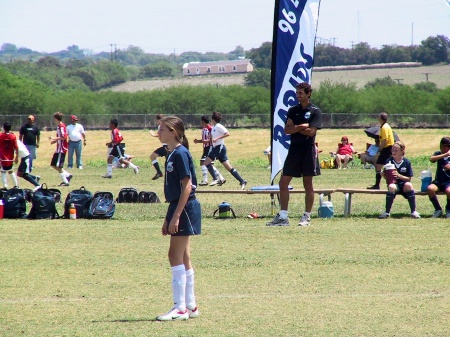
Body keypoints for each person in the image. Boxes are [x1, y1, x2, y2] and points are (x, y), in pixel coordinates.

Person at [155, 116, 201, 321]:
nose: (158, 132)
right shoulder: (171, 153)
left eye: (162, 129)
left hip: (186, 208)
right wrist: (168, 217)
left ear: (173, 132)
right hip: (178, 207)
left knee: (174, 255)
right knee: (184, 257)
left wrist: (176, 217)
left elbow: (187, 187)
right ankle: (190, 306)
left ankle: (180, 308)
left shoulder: (181, 153)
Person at [267, 82, 322, 227]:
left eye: (301, 93)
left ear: (308, 93)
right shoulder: (292, 110)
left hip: (308, 150)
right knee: (283, 182)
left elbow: (311, 132)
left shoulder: (315, 111)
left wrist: (296, 127)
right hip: (294, 150)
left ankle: (306, 217)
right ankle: (283, 217)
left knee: (307, 184)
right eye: (297, 93)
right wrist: (302, 126)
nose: (298, 96)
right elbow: (287, 130)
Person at [202, 112, 247, 190]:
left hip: (219, 148)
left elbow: (227, 133)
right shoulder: (214, 127)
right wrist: (211, 137)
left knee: (206, 162)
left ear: (213, 119)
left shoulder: (219, 126)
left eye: (211, 119)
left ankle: (216, 179)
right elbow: (213, 137)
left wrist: (217, 138)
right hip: (218, 148)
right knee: (228, 167)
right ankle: (242, 181)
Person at [378, 141, 420, 219]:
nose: (393, 152)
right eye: (392, 150)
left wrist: (398, 175)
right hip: (394, 184)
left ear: (402, 151)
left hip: (403, 185)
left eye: (396, 150)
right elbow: (387, 178)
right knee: (391, 186)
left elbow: (408, 179)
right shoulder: (389, 161)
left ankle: (414, 211)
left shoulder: (406, 162)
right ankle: (387, 212)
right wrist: (383, 175)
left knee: (409, 185)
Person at [193, 115, 224, 186]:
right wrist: (198, 141)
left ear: (203, 121)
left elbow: (212, 138)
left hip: (209, 147)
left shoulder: (210, 128)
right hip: (205, 148)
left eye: (201, 121)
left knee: (203, 162)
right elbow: (204, 140)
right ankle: (221, 178)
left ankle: (206, 180)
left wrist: (208, 141)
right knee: (207, 163)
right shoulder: (204, 129)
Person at [368, 112, 395, 189]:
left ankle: (378, 185)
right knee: (382, 166)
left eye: (379, 117)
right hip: (387, 148)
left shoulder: (384, 127)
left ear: (380, 118)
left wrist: (380, 149)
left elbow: (385, 140)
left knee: (380, 166)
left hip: (387, 148)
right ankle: (379, 184)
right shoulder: (384, 126)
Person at [426, 137, 450, 218]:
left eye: (445, 146)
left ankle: (449, 210)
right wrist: (445, 155)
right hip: (439, 181)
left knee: (449, 191)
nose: (443, 148)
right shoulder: (438, 153)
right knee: (430, 189)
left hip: (448, 182)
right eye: (442, 146)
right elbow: (431, 159)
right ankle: (438, 209)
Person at [49, 112, 73, 187]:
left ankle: (65, 181)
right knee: (53, 164)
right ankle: (68, 175)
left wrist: (54, 138)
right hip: (58, 149)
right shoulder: (59, 126)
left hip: (62, 149)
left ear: (56, 118)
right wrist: (55, 141)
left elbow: (64, 137)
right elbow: (60, 137)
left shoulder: (62, 126)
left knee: (59, 166)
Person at [0, 122, 19, 189]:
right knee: (11, 171)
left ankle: (5, 185)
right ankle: (16, 185)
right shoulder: (13, 136)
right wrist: (17, 157)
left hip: (2, 157)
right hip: (10, 157)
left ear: (3, 128)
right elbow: (16, 147)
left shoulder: (1, 136)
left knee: (3, 171)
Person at [149, 114, 167, 180]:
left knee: (152, 156)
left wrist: (152, 134)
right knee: (168, 161)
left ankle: (159, 172)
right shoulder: (168, 125)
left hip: (166, 147)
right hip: (170, 145)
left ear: (158, 120)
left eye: (156, 120)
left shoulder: (161, 126)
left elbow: (159, 135)